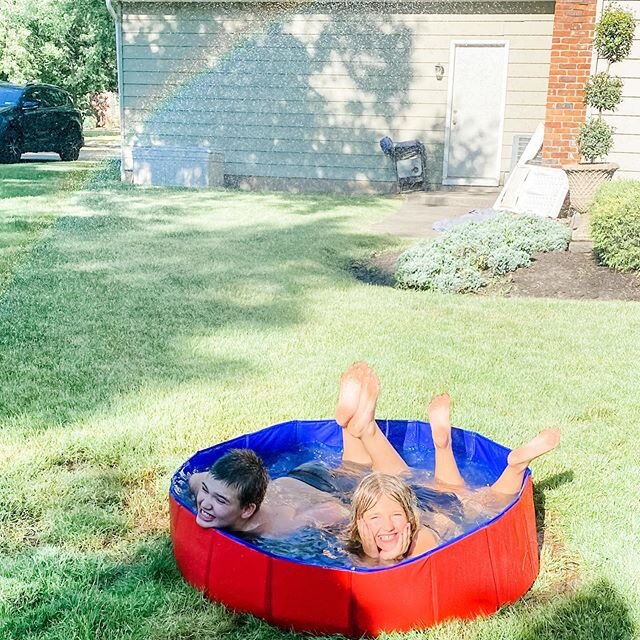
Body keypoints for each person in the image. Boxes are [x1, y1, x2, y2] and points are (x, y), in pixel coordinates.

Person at [341, 373, 561, 565]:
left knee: (487, 501)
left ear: (408, 517)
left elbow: (390, 578)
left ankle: (516, 466)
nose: (388, 527)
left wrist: (381, 559)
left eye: (397, 516)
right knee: (407, 478)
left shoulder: (420, 539)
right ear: (358, 521)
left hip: (447, 509)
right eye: (375, 519)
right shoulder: (355, 539)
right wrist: (373, 556)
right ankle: (370, 431)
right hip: (426, 500)